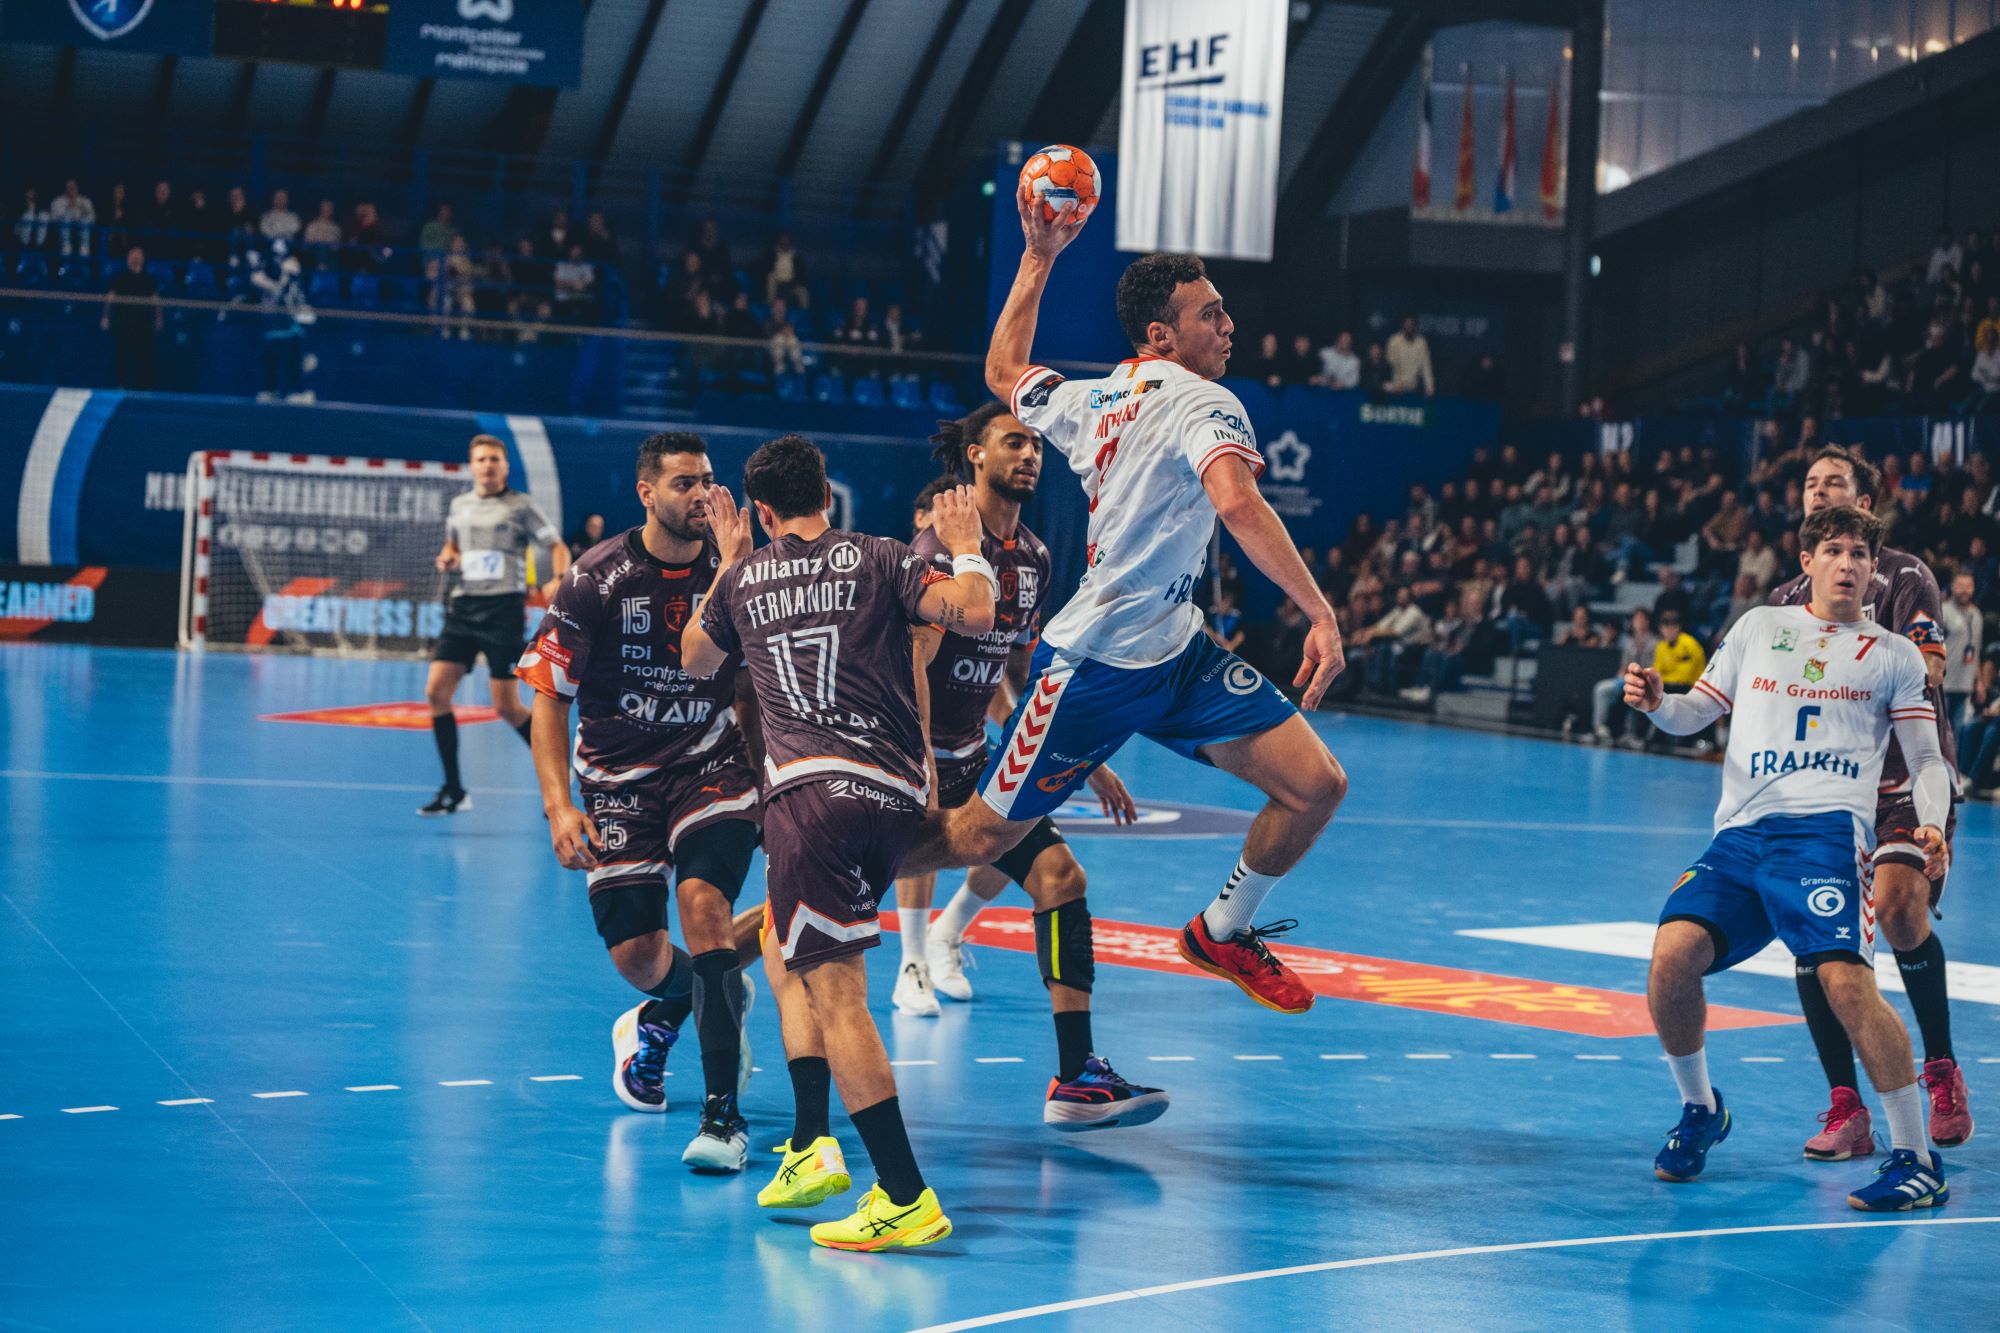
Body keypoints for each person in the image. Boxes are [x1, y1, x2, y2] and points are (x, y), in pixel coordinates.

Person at [893, 176, 1349, 1018]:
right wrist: (1320, 612)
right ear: (1161, 336)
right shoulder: (1206, 400)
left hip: (1178, 655)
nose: (1229, 324)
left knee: (1316, 783)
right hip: (1092, 666)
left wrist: (1038, 257)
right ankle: (828, 873)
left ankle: (1222, 930)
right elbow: (1236, 502)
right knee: (975, 836)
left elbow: (1002, 370)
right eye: (1211, 313)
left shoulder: (1089, 397)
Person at [682, 434, 996, 1251]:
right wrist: (969, 549)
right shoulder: (883, 556)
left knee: (839, 995)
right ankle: (812, 1143)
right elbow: (975, 611)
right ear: (827, 493)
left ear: (760, 510)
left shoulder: (743, 577)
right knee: (783, 951)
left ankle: (903, 1194)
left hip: (809, 798)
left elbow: (694, 657)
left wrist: (729, 557)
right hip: (893, 797)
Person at [1625, 504, 1952, 1210]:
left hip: (1826, 836)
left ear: (1874, 569)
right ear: (1807, 562)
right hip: (1741, 836)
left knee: (1847, 985)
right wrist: (1657, 703)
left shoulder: (1893, 654)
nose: (1847, 563)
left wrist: (1931, 822)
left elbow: (1927, 759)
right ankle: (1701, 1109)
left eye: (1860, 553)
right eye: (1833, 550)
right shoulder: (1758, 628)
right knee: (1671, 958)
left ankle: (1918, 1158)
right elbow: (1694, 712)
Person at [890, 406, 1168, 1130]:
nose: (1030, 455)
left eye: (1036, 445)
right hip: (909, 760)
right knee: (821, 898)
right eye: (1014, 442)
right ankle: (686, 994)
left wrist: (1074, 757)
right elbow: (911, 662)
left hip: (974, 757)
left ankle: (1076, 1077)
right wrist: (919, 763)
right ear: (976, 456)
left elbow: (1019, 665)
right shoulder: (939, 545)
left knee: (1060, 876)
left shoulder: (1036, 557)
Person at [519, 433, 760, 1169]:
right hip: (617, 778)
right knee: (640, 956)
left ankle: (722, 1119)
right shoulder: (594, 580)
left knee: (704, 908)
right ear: (646, 493)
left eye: (708, 480)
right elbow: (548, 698)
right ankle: (682, 1001)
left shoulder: (735, 567)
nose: (702, 495)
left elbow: (752, 681)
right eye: (685, 482)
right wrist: (559, 806)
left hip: (709, 764)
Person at [1765, 446, 1972, 1155]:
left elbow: (1931, 666)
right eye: (1810, 483)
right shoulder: (1782, 603)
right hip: (1822, 786)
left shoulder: (1905, 575)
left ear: (1865, 502)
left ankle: (1940, 1067)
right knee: (1815, 934)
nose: (1819, 491)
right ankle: (1846, 1107)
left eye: (1835, 483)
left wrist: (1858, 657)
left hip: (1903, 780)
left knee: (1898, 910)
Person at [421, 435, 571, 816]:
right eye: (481, 459)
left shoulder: (521, 506)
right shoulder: (459, 506)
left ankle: (561, 776)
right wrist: (447, 557)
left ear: (505, 466)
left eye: (494, 459)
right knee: (436, 692)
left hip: (503, 611)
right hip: (463, 609)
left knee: (507, 706)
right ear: (472, 466)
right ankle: (454, 790)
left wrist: (557, 578)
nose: (487, 465)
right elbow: (454, 547)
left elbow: (556, 546)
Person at [101, 247, 161, 390]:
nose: (135, 258)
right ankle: (120, 385)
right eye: (133, 256)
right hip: (124, 325)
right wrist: (105, 317)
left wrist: (158, 319)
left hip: (143, 326)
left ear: (143, 259)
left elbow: (156, 302)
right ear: (128, 259)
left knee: (144, 358)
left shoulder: (149, 279)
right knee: (121, 356)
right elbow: (110, 299)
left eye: (138, 256)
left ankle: (143, 388)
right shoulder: (120, 278)